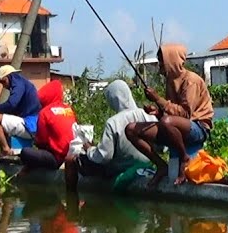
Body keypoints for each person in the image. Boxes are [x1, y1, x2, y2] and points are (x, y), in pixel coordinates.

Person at [126, 43, 214, 187]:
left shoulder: (191, 81)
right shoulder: (170, 81)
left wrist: (158, 99)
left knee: (166, 121)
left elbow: (185, 114)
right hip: (174, 126)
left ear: (172, 61)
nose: (160, 65)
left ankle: (184, 158)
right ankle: (161, 166)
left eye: (162, 61)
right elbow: (170, 113)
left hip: (198, 128)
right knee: (131, 129)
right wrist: (157, 112)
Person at [64, 79, 156, 192]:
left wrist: (89, 149)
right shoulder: (148, 115)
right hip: (146, 163)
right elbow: (162, 146)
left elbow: (104, 157)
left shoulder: (114, 122)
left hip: (119, 168)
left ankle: (71, 200)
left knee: (71, 159)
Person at [0, 64, 42, 161]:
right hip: (32, 124)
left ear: (9, 77)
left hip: (30, 125)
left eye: (3, 82)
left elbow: (12, 104)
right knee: (2, 120)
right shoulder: (23, 83)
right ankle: (10, 150)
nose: (4, 86)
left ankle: (5, 150)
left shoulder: (18, 84)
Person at [17, 80, 75, 174]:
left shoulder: (45, 113)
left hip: (57, 158)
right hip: (72, 154)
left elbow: (41, 140)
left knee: (25, 152)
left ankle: (31, 168)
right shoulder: (68, 109)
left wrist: (36, 142)